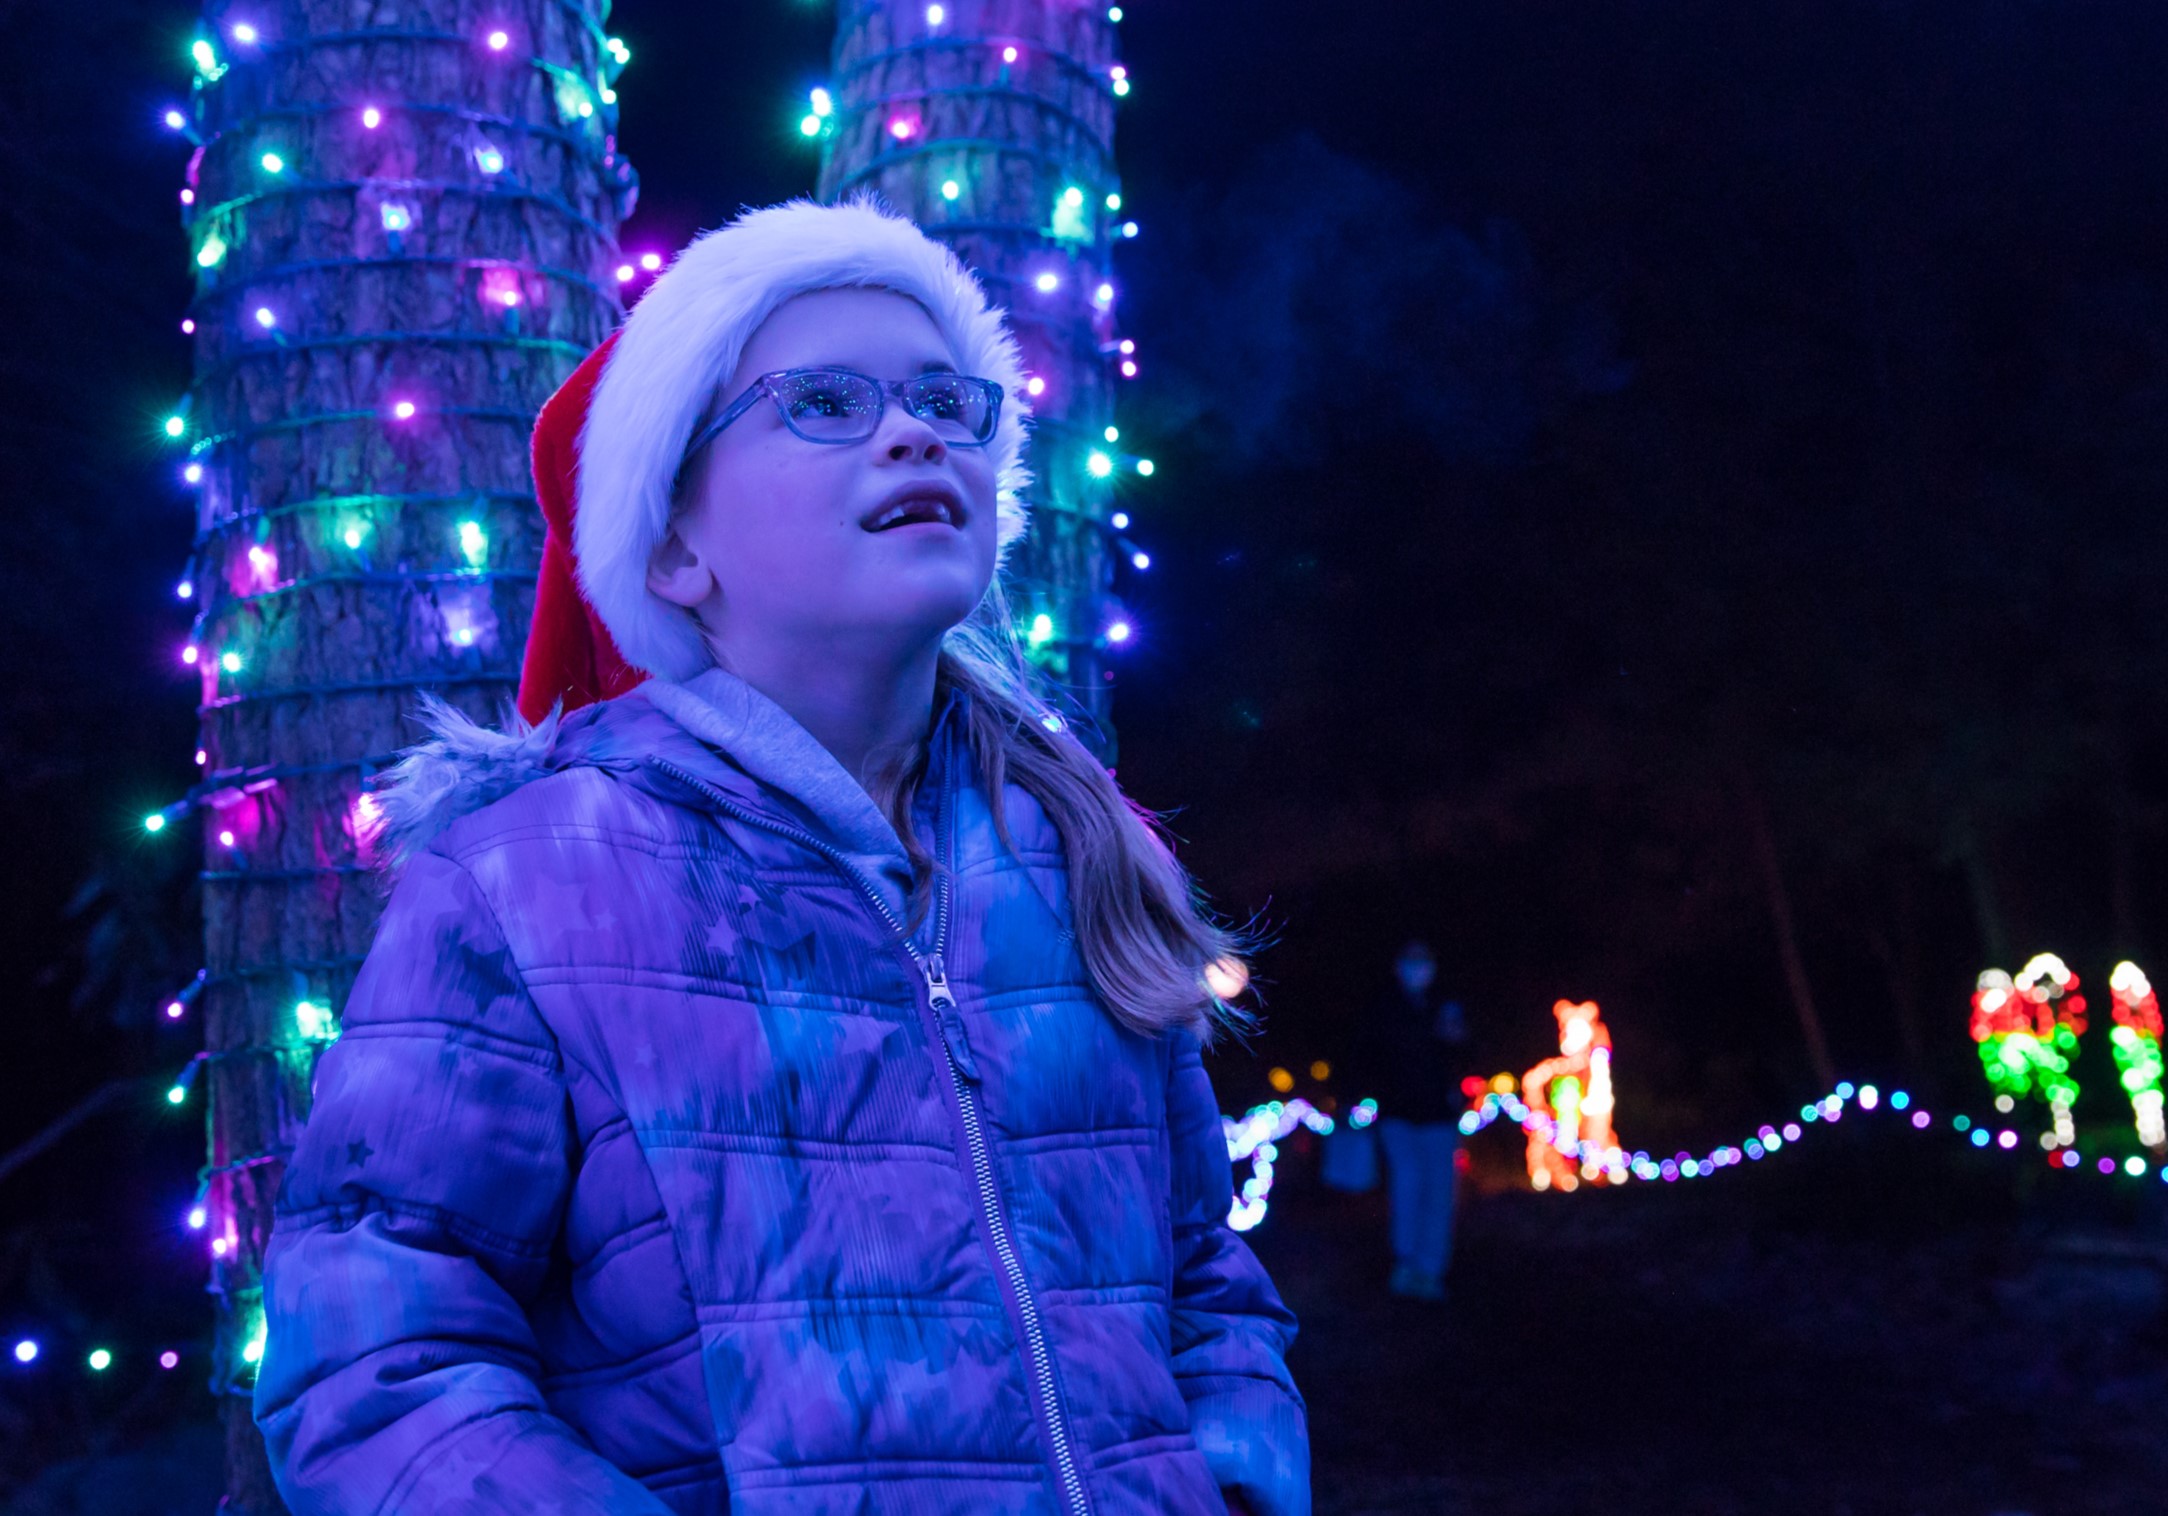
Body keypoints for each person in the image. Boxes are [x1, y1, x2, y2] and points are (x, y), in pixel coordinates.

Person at [252, 194, 1309, 1516]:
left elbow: (1204, 1276)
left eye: (948, 399)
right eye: (825, 403)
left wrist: (1233, 1481)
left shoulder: (1071, 847)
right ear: (677, 544)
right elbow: (377, 1364)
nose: (915, 430)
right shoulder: (527, 882)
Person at [1352, 940, 1468, 1301]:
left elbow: (1466, 1050)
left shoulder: (1445, 1004)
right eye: (1410, 961)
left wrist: (1457, 1039)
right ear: (1398, 965)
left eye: (1423, 961)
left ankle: (1430, 1271)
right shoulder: (1385, 1007)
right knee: (1408, 1185)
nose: (1417, 969)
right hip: (1398, 1114)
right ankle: (1405, 1265)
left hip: (1438, 1115)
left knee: (1439, 1192)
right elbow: (1366, 1054)